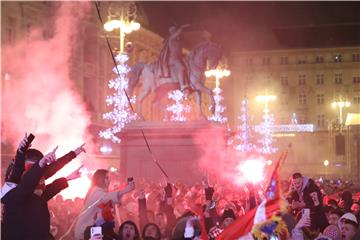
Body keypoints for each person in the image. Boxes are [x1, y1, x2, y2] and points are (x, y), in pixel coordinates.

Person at [2, 144, 85, 240]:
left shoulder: (35, 199)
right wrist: (22, 152)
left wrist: (67, 177)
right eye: (33, 169)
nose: (40, 180)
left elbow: (49, 188)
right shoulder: (15, 198)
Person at [74, 170, 136, 240]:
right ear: (100, 179)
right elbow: (106, 197)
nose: (109, 180)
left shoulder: (100, 192)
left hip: (95, 229)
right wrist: (126, 189)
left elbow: (110, 196)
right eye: (107, 178)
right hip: (87, 231)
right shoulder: (96, 192)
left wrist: (124, 189)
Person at [157, 24, 191, 94]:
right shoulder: (171, 39)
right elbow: (177, 34)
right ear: (171, 32)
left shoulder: (178, 42)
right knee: (181, 67)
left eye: (175, 30)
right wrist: (182, 27)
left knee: (187, 65)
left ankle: (188, 82)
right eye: (174, 31)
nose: (175, 32)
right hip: (172, 59)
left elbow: (178, 52)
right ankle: (182, 85)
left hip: (178, 58)